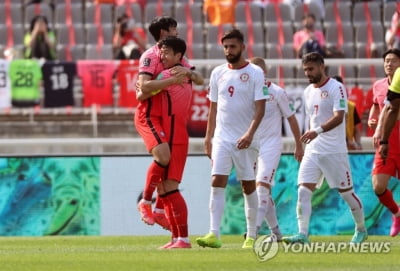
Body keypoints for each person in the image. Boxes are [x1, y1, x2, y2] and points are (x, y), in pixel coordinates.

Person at [282, 52, 367, 244]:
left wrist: (317, 131)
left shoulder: (337, 87)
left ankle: (361, 229)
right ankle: (302, 234)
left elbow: (339, 117)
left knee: (347, 194)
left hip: (334, 151)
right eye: (305, 70)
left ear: (322, 66)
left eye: (311, 69)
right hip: (313, 150)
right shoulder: (307, 91)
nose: (308, 73)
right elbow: (310, 121)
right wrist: (301, 145)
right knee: (303, 191)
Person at [195, 29, 268, 249]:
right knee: (217, 181)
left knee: (248, 185)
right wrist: (208, 137)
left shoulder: (255, 72)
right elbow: (213, 108)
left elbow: (260, 109)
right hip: (222, 138)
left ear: (242, 47)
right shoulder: (217, 73)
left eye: (233, 46)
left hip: (246, 139)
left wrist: (249, 134)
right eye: (226, 47)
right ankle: (213, 234)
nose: (229, 50)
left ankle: (252, 235)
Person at [135, 16, 204, 235]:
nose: (177, 32)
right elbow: (142, 90)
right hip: (150, 115)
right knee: (164, 158)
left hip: (168, 119)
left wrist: (189, 73)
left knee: (167, 180)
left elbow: (198, 78)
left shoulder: (175, 56)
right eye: (174, 29)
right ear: (164, 32)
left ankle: (160, 212)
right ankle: (146, 202)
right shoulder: (151, 57)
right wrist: (170, 82)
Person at [249, 57, 304, 241]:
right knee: (261, 191)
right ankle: (277, 233)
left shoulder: (277, 92)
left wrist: (298, 144)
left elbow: (291, 117)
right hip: (251, 146)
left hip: (271, 145)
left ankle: (253, 231)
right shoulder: (246, 92)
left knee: (262, 188)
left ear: (264, 72)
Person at [367, 48, 400, 237]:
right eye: (386, 60)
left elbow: (392, 109)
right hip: (387, 138)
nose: (389, 63)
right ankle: (397, 214)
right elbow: (377, 108)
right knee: (378, 186)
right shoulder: (378, 85)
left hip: (395, 133)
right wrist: (374, 121)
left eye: (393, 60)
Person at [332, 75, 362, 151]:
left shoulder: (351, 106)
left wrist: (358, 143)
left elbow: (356, 129)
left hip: (348, 149)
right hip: (332, 148)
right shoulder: (326, 106)